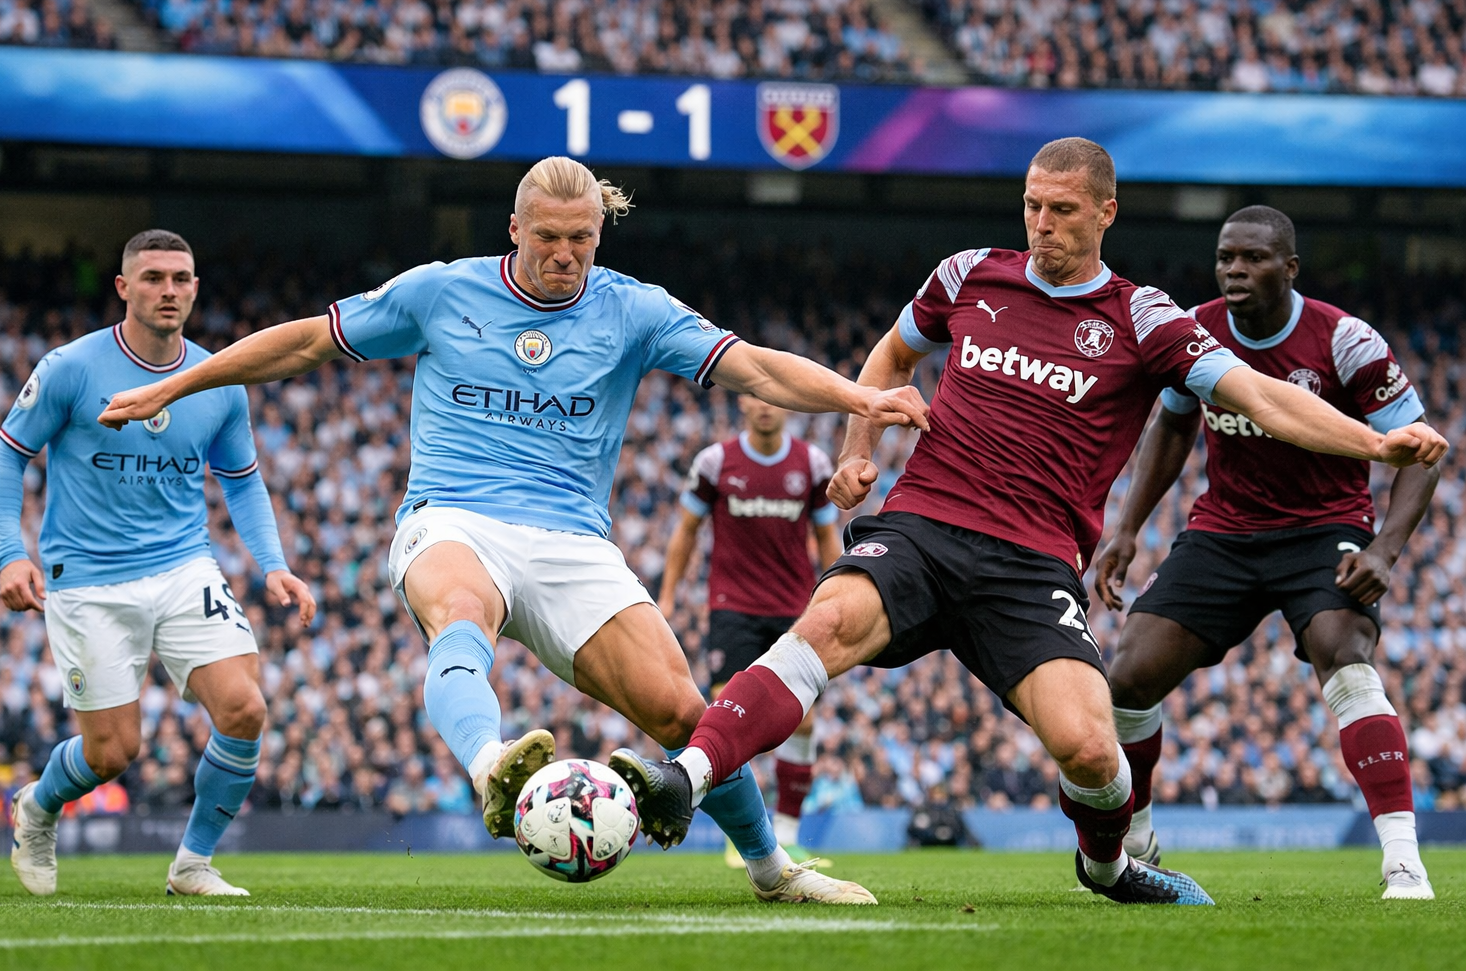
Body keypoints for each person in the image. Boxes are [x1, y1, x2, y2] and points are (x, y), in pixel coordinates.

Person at [609, 138, 1448, 906]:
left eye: (1063, 210)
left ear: (1105, 213)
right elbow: (894, 357)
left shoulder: (1145, 317)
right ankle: (683, 778)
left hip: (1032, 566)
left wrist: (1376, 443)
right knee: (824, 623)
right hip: (925, 528)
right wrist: (860, 447)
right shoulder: (968, 273)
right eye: (1032, 206)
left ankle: (1109, 867)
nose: (1041, 224)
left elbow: (1261, 397)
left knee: (1093, 753)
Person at [100, 157, 928, 905]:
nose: (565, 255)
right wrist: (180, 385)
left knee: (681, 711)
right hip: (454, 516)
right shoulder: (443, 291)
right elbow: (308, 343)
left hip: (573, 542)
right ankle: (492, 766)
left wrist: (861, 399)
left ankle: (771, 869)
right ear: (514, 230)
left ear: (599, 232)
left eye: (581, 239)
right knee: (461, 611)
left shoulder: (632, 309)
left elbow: (753, 365)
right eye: (548, 239)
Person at [1094, 206, 1438, 899]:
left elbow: (1421, 452)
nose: (1235, 272)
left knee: (1344, 649)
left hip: (1324, 529)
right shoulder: (1196, 331)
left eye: (1252, 259)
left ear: (1290, 268)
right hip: (1224, 531)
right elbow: (1172, 425)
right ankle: (1138, 842)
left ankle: (1403, 858)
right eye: (1226, 259)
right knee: (1127, 677)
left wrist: (1386, 551)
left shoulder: (1344, 340)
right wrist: (1128, 528)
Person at [0, 230, 316, 897]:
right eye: (154, 278)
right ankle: (38, 804)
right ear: (124, 288)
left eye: (181, 278)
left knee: (245, 708)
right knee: (112, 753)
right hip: (85, 577)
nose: (169, 290)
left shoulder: (219, 380)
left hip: (182, 567)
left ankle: (192, 863)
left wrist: (273, 564)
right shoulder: (71, 368)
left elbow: (244, 479)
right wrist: (8, 553)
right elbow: (8, 456)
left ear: (196, 288)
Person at [658, 394, 840, 867]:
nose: (765, 407)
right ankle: (741, 833)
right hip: (732, 608)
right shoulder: (716, 462)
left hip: (794, 610)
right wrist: (670, 593)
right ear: (743, 403)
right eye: (756, 399)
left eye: (773, 400)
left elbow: (824, 537)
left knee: (803, 719)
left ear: (786, 405)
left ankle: (788, 832)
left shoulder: (813, 464)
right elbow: (685, 532)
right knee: (727, 711)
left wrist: (834, 592)